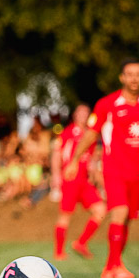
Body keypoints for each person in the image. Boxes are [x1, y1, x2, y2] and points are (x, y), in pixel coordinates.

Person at [64, 59, 139, 278]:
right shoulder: (107, 104)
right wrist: (74, 160)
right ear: (122, 77)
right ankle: (110, 267)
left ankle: (115, 265)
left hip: (137, 173)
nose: (134, 78)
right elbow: (91, 134)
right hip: (114, 169)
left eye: (138, 74)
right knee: (120, 211)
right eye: (130, 74)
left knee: (128, 219)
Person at [52, 104, 107, 261]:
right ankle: (59, 252)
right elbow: (57, 154)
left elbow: (91, 159)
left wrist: (96, 176)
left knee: (101, 210)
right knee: (65, 215)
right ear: (75, 115)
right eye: (80, 112)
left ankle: (81, 243)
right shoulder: (67, 132)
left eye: (86, 112)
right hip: (70, 178)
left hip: (85, 181)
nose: (83, 115)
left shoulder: (90, 134)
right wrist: (56, 175)